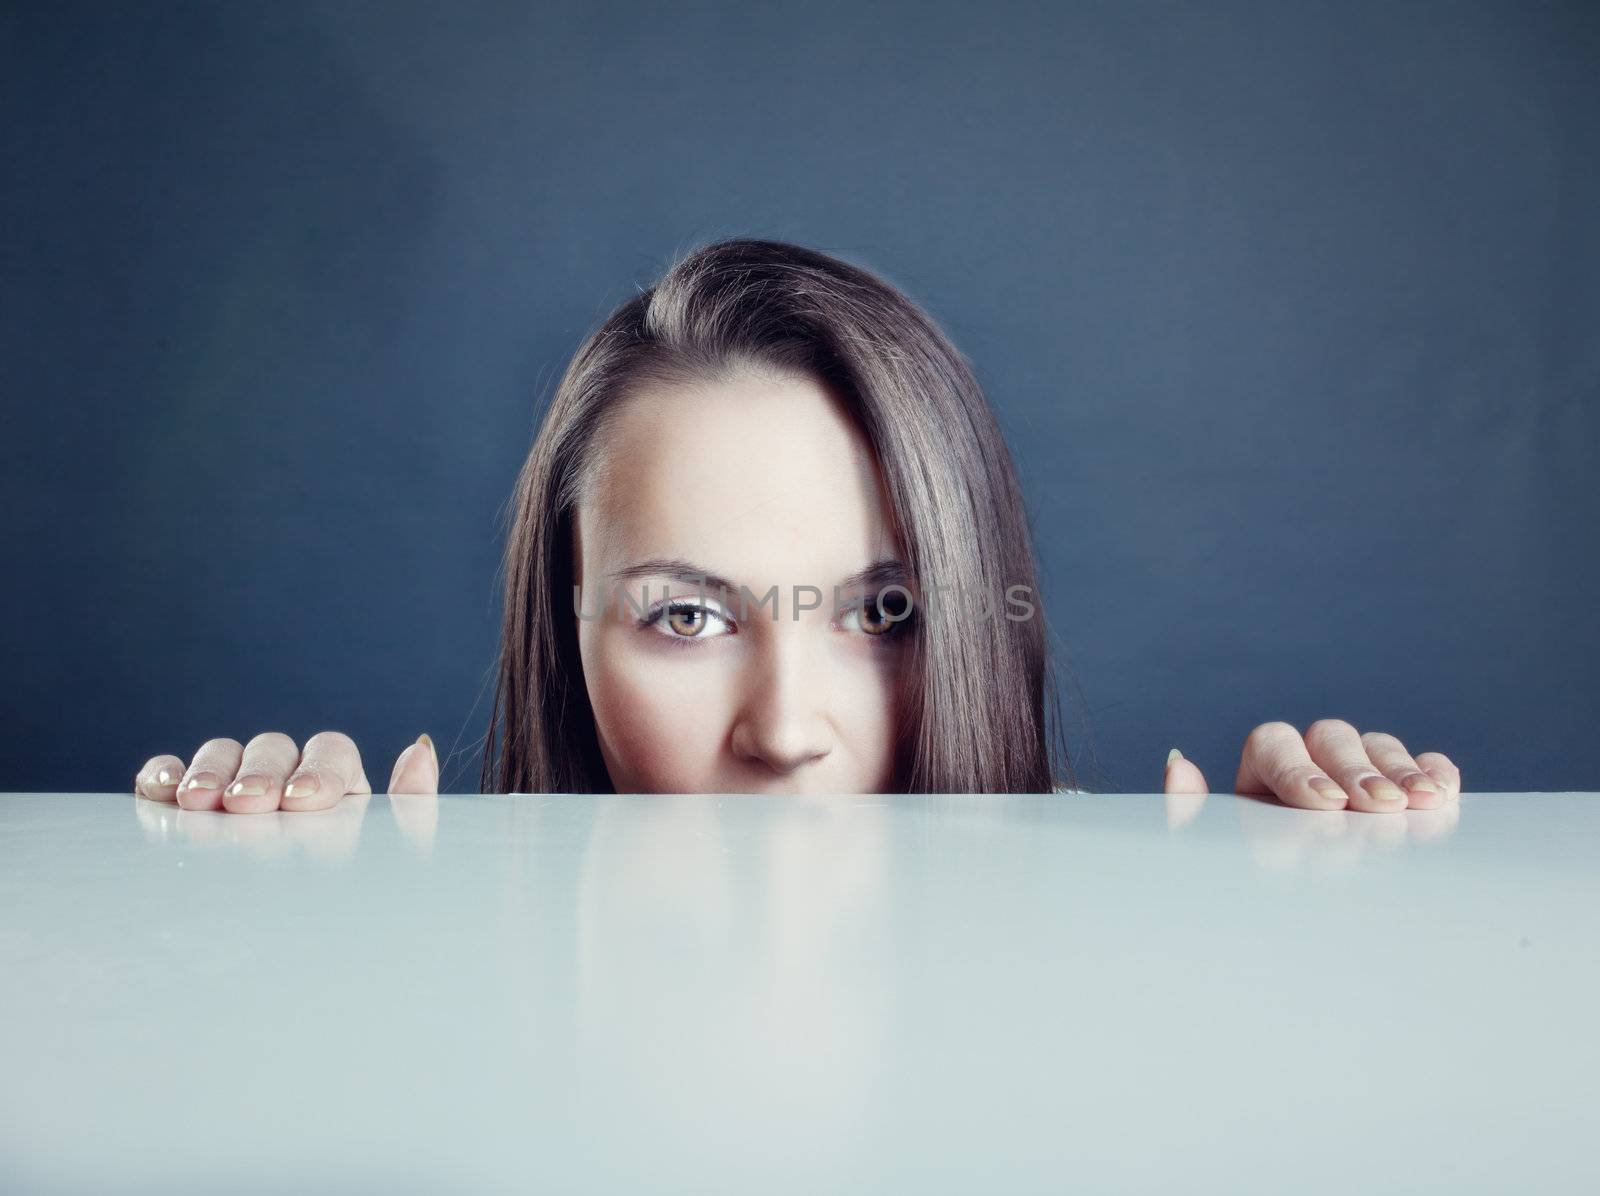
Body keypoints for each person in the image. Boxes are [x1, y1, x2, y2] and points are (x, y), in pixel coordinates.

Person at [131, 238, 1461, 812]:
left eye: (883, 614)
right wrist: (289, 957)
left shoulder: (1143, 966)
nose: (784, 731)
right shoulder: (428, 976)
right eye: (687, 616)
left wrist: (1293, 965)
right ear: (563, 636)